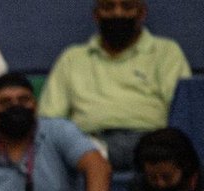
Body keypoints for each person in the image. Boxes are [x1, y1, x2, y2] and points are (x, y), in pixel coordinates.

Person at [37, 0, 191, 172]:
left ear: (141, 13)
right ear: (96, 15)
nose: (117, 14)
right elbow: (49, 118)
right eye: (108, 7)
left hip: (149, 142)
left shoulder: (166, 52)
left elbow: (185, 110)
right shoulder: (72, 57)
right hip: (88, 141)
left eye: (127, 7)